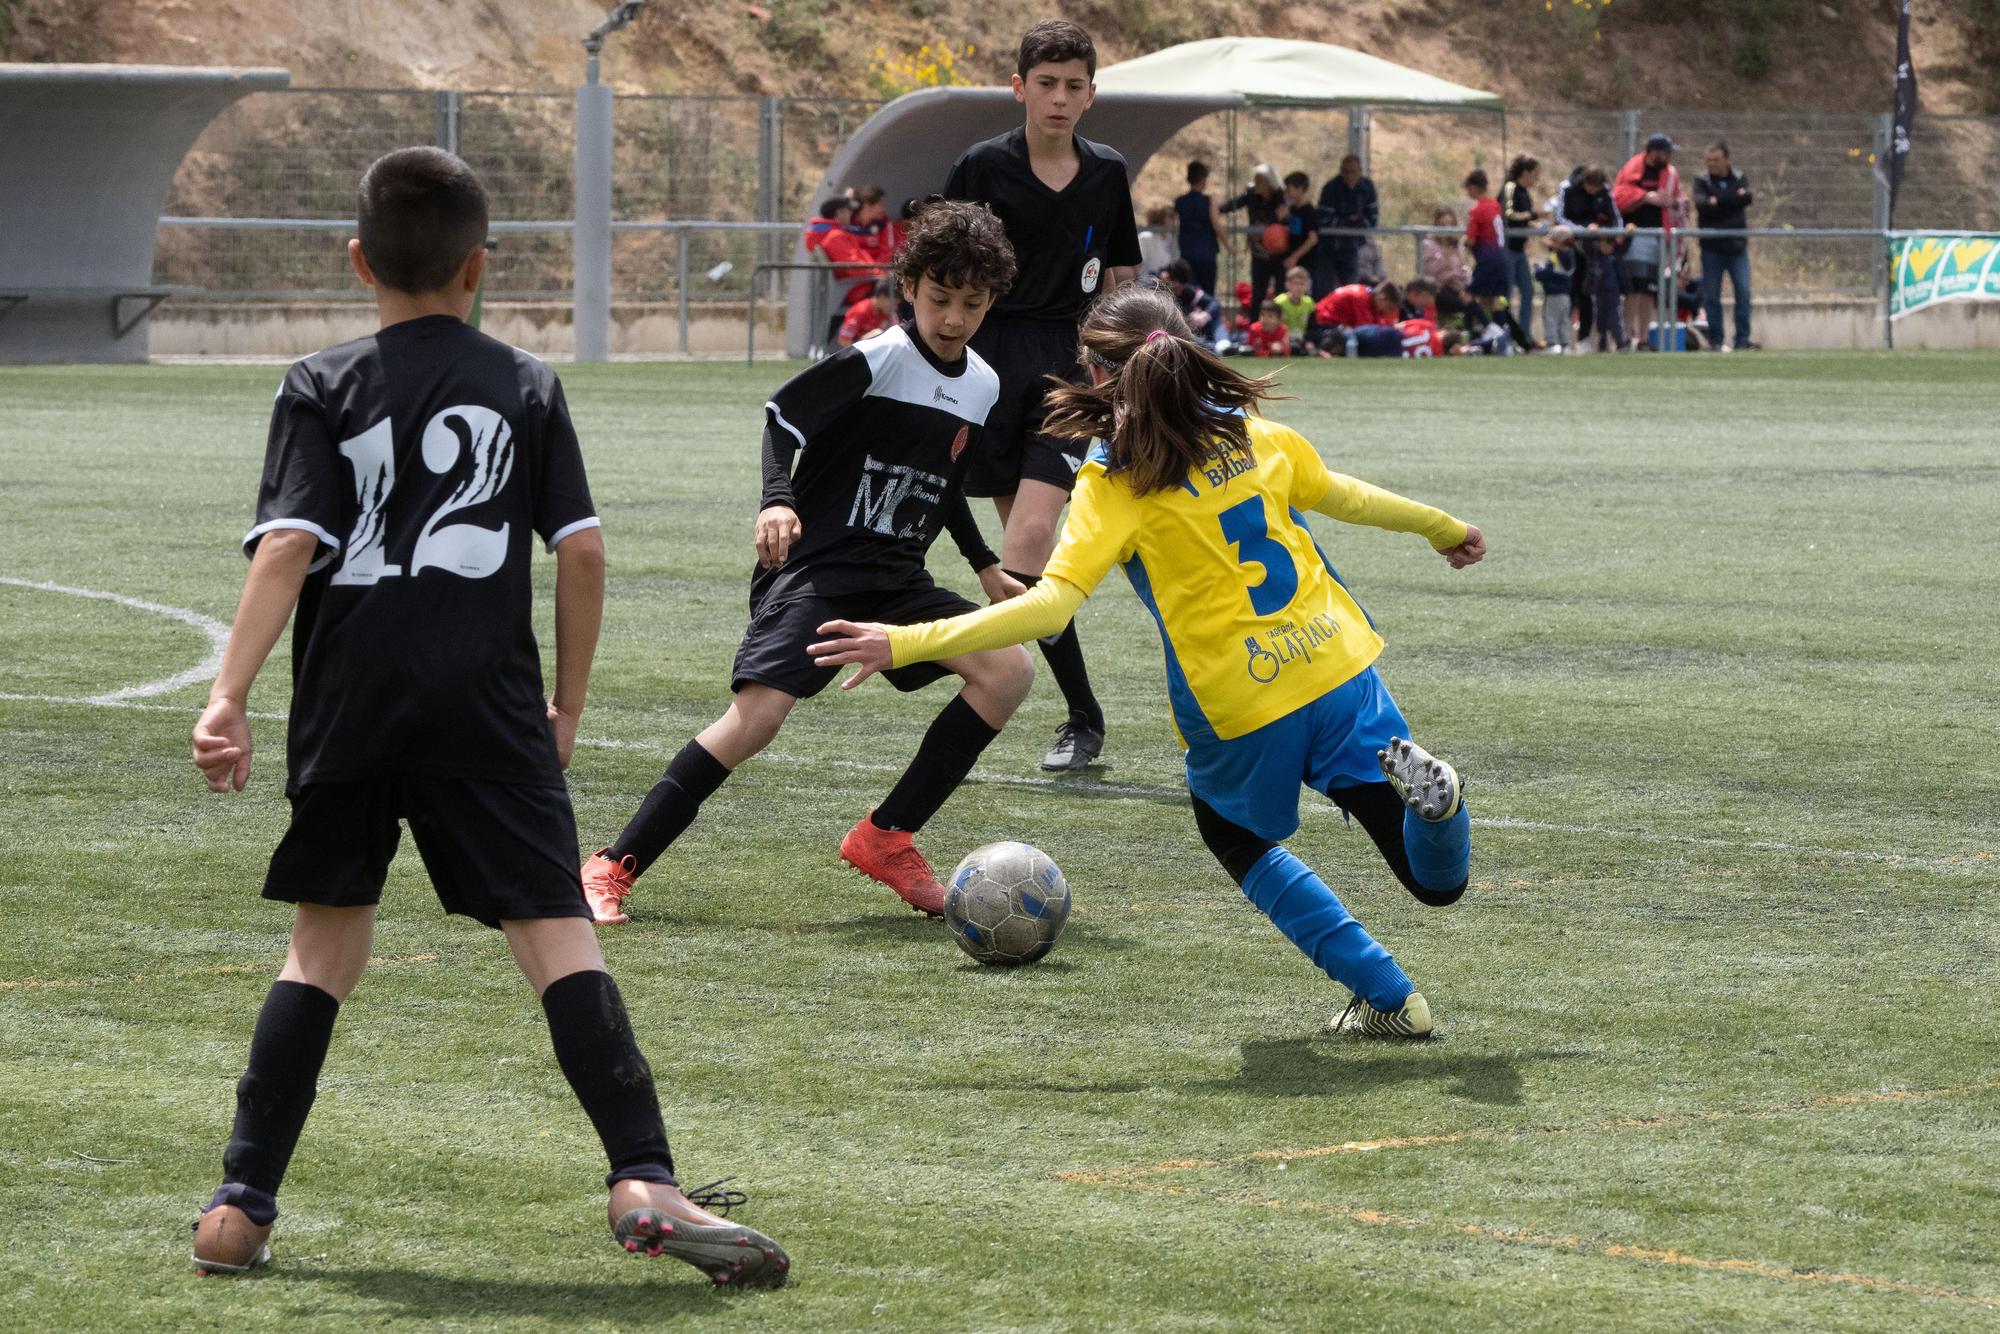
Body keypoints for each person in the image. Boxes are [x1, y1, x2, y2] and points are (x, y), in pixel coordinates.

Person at [184, 147, 789, 1286]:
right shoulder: (525, 381)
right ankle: (642, 1172)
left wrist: (228, 696)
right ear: (480, 269)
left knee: (321, 946)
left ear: (358, 260)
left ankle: (239, 1201)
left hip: (349, 701)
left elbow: (287, 549)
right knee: (553, 930)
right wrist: (563, 702)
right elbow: (584, 551)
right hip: (485, 703)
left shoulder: (317, 382)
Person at [809, 285, 1486, 1040]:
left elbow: (1050, 608)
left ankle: (1390, 998)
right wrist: (1444, 527)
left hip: (1242, 701)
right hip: (1340, 668)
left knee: (1237, 838)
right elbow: (1345, 497)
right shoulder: (1257, 434)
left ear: (1101, 377)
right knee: (1434, 883)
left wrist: (902, 640)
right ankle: (1443, 808)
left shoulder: (1116, 478)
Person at [579, 202, 1032, 925]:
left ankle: (886, 837)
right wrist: (776, 500)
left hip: (898, 581)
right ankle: (612, 864)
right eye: (940, 298)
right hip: (818, 571)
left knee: (1008, 669)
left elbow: (941, 483)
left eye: (972, 304)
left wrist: (981, 562)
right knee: (757, 719)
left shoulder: (981, 384)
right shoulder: (877, 358)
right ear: (908, 286)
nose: (953, 318)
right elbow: (780, 417)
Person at [941, 18, 1140, 773]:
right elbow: (942, 268)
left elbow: (1122, 279)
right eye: (1046, 84)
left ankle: (1002, 685)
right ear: (1019, 87)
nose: (1059, 98)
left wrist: (1128, 371)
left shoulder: (1107, 171)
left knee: (1025, 546)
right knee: (1020, 564)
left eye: (1074, 86)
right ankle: (1080, 713)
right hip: (984, 369)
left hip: (1066, 370)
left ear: (1092, 94)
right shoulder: (981, 166)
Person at [1613, 133, 1682, 349]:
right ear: (1653, 152)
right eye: (1665, 152)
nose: (1668, 156)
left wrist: (1678, 203)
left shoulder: (1670, 173)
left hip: (1661, 235)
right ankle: (1625, 335)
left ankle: (1643, 337)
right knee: (1634, 288)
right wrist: (1644, 197)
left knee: (1650, 290)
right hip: (1638, 236)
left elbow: (1677, 198)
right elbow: (1619, 196)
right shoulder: (1634, 169)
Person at [1691, 141, 1757, 351]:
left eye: (1716, 160)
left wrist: (1717, 201)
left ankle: (1742, 340)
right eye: (1709, 160)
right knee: (1711, 296)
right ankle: (1715, 341)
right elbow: (1701, 205)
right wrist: (1730, 199)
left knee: (1743, 293)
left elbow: (1746, 199)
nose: (1712, 164)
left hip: (1737, 248)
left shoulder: (1738, 177)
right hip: (1712, 248)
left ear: (1726, 160)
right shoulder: (1701, 180)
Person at [1555, 165, 1622, 348]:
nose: (1593, 191)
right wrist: (1584, 230)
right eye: (1591, 186)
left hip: (1593, 251)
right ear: (1585, 181)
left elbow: (1615, 219)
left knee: (1586, 294)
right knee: (1569, 292)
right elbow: (1560, 218)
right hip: (1570, 247)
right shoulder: (1567, 189)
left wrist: (1607, 236)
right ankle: (1560, 339)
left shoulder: (1604, 193)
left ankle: (1583, 337)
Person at [1221, 163, 1288, 316]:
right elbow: (1234, 204)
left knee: (1280, 293)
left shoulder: (1281, 198)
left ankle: (1277, 326)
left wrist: (1285, 217)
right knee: (1258, 291)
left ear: (1269, 182)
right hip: (1259, 252)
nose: (1254, 183)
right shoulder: (1252, 195)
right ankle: (1254, 325)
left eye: (1259, 181)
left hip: (1278, 254)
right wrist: (1216, 209)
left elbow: (1287, 220)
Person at [1316, 153, 1378, 295]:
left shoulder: (1367, 187)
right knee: (1324, 290)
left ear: (1360, 171)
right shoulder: (1331, 188)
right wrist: (1350, 221)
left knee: (1351, 289)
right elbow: (1324, 219)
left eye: (1353, 172)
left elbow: (1372, 220)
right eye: (1346, 172)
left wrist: (1351, 222)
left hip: (1351, 247)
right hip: (1328, 247)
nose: (1349, 176)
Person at [1500, 155, 1543, 346]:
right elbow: (1508, 214)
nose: (1536, 180)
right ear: (1524, 173)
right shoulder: (1510, 188)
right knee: (1506, 295)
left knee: (1528, 291)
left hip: (1519, 250)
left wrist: (1534, 224)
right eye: (1534, 175)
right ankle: (1505, 334)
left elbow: (1524, 218)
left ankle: (1523, 335)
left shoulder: (1525, 193)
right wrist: (1532, 215)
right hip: (1508, 249)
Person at [1174, 160, 1230, 297]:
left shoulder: (1179, 201)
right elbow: (1216, 225)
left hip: (1186, 251)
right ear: (1203, 180)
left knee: (1188, 290)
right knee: (1207, 291)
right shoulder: (1209, 201)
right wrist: (1228, 246)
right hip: (1206, 252)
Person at [1162, 257, 1225, 348]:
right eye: (1177, 282)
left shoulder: (1186, 291)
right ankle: (1219, 347)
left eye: (1183, 283)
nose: (1180, 286)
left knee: (1214, 317)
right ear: (1167, 277)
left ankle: (1223, 344)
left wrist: (1203, 316)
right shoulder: (1156, 288)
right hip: (1170, 336)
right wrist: (1186, 319)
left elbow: (1214, 304)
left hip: (1190, 333)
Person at [1535, 226, 1577, 352]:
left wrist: (1538, 270)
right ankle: (1564, 344)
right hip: (1565, 295)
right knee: (1563, 320)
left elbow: (1546, 274)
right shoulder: (1570, 255)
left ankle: (1552, 344)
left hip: (1554, 294)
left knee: (1551, 319)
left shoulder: (1558, 256)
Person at [1278, 171, 1320, 279]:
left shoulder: (1309, 211)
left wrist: (1294, 257)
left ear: (1300, 189)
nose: (1287, 193)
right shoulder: (1292, 210)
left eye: (1289, 190)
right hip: (1290, 262)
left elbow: (1312, 239)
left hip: (1305, 262)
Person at [1592, 232, 1628, 352]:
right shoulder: (1597, 259)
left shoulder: (1615, 259)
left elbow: (1621, 276)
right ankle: (1602, 342)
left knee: (1615, 319)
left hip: (1613, 294)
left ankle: (1620, 342)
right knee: (1600, 319)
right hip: (1600, 294)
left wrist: (1624, 291)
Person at [837, 277, 896, 346]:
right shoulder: (861, 310)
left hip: (874, 350)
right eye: (894, 303)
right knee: (877, 333)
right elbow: (843, 340)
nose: (895, 307)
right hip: (857, 350)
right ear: (882, 297)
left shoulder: (888, 313)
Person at [1272, 265, 1317, 353]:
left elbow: (1312, 327)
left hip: (1301, 341)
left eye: (1302, 284)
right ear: (1287, 285)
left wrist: (1309, 340)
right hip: (1282, 341)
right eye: (1295, 284)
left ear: (1307, 285)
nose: (1299, 287)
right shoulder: (1279, 302)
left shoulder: (1309, 303)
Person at [1138, 203, 1179, 279]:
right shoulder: (1146, 238)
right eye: (1171, 216)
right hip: (1146, 283)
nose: (1175, 219)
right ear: (1160, 218)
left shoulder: (1172, 238)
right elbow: (1139, 267)